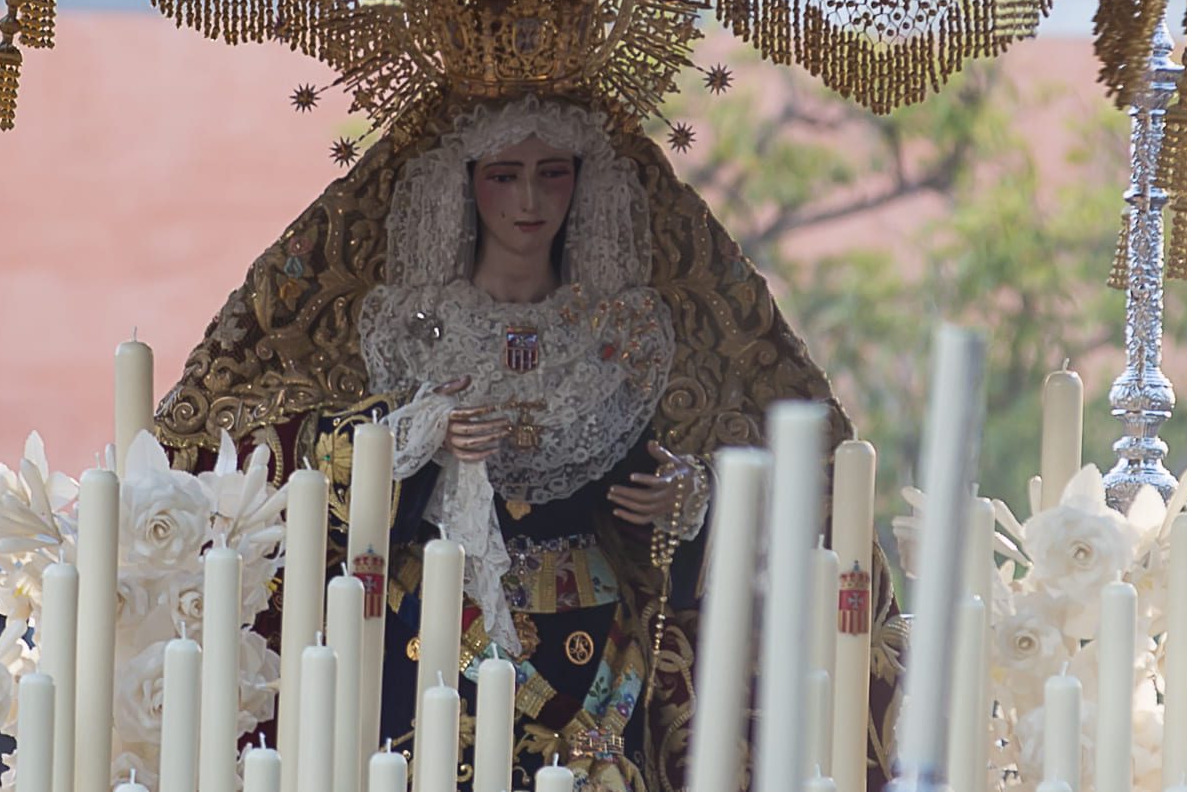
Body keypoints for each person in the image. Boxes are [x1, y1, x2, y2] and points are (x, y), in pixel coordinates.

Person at [155, 93, 901, 791]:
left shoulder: (624, 336)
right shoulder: (403, 329)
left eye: (552, 175)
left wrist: (685, 500)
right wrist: (411, 438)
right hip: (433, 628)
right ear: (464, 183)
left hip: (592, 631)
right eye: (503, 176)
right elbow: (276, 454)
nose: (528, 202)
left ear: (584, 182)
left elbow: (700, 467)